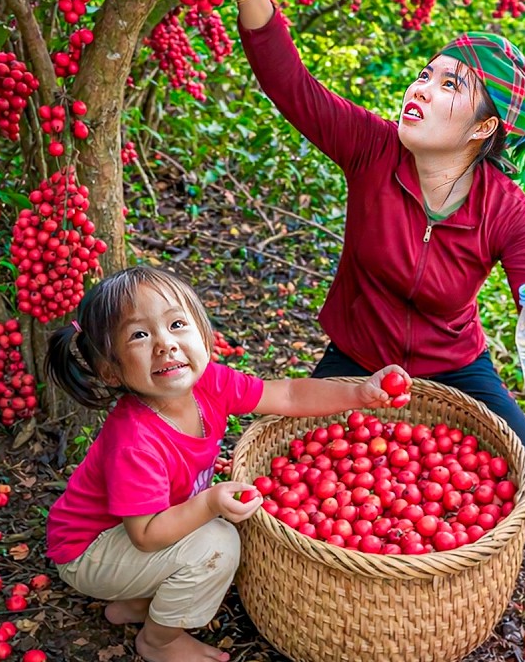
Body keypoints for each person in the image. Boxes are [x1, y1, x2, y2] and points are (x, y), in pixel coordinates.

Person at [226, 0, 525, 524]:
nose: (421, 89)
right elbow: (292, 85)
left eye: (450, 85)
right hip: (356, 356)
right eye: (424, 75)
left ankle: (433, 555)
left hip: (455, 369)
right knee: (287, 478)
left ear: (484, 126)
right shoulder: (372, 149)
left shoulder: (507, 211)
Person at [44, 266, 408, 662]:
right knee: (217, 541)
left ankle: (135, 601)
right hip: (90, 550)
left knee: (214, 527)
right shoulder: (135, 440)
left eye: (176, 324)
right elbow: (145, 536)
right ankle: (159, 641)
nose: (165, 344)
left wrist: (358, 393)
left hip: (132, 529)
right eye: (139, 335)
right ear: (111, 371)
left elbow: (287, 395)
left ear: (203, 334)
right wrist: (208, 503)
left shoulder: (210, 385)